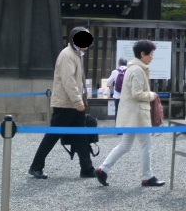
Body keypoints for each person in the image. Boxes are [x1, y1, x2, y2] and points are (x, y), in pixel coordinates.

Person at [29, 27, 97, 179]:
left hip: (72, 103)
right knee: (53, 136)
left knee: (80, 136)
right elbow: (68, 81)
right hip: (66, 104)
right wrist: (78, 100)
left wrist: (80, 100)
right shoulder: (68, 55)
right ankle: (36, 166)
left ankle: (87, 168)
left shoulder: (75, 54)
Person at [95, 40, 165, 187]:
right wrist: (152, 95)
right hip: (138, 115)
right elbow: (137, 94)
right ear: (143, 54)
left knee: (125, 145)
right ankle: (147, 176)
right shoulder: (138, 70)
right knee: (146, 146)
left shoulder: (133, 68)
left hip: (131, 114)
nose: (152, 57)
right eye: (151, 54)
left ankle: (103, 169)